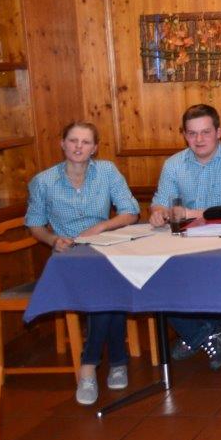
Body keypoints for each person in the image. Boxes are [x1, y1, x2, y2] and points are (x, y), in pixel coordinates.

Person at [25, 122, 141, 406]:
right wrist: (53, 240)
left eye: (86, 142)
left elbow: (131, 212)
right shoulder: (43, 181)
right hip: (69, 256)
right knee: (109, 289)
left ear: (94, 148)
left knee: (109, 285)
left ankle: (89, 366)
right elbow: (35, 224)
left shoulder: (107, 172)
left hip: (104, 248)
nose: (79, 147)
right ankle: (115, 362)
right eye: (73, 140)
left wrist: (101, 227)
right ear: (62, 144)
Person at [150, 103, 221, 370]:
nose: (198, 139)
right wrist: (159, 212)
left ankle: (197, 333)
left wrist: (189, 212)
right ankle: (209, 332)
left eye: (205, 132)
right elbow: (160, 201)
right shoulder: (173, 164)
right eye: (192, 133)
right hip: (183, 243)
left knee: (201, 272)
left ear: (219, 132)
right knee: (153, 275)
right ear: (184, 135)